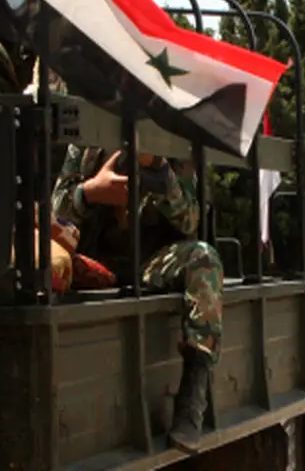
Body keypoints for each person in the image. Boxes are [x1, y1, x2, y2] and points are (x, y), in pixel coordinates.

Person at [50, 144, 220, 453]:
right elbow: (56, 211)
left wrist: (161, 172)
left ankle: (192, 396)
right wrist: (90, 192)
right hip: (94, 261)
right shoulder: (87, 140)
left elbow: (192, 220)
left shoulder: (171, 142)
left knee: (204, 259)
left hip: (150, 263)